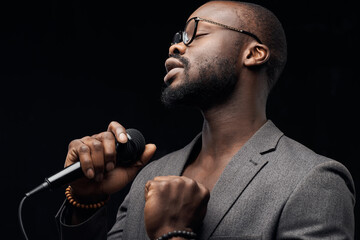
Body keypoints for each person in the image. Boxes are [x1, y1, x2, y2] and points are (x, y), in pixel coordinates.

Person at [56, 1, 355, 239]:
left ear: (254, 53)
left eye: (194, 33)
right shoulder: (149, 177)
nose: (175, 46)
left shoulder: (313, 180)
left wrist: (172, 233)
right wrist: (85, 203)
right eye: (177, 38)